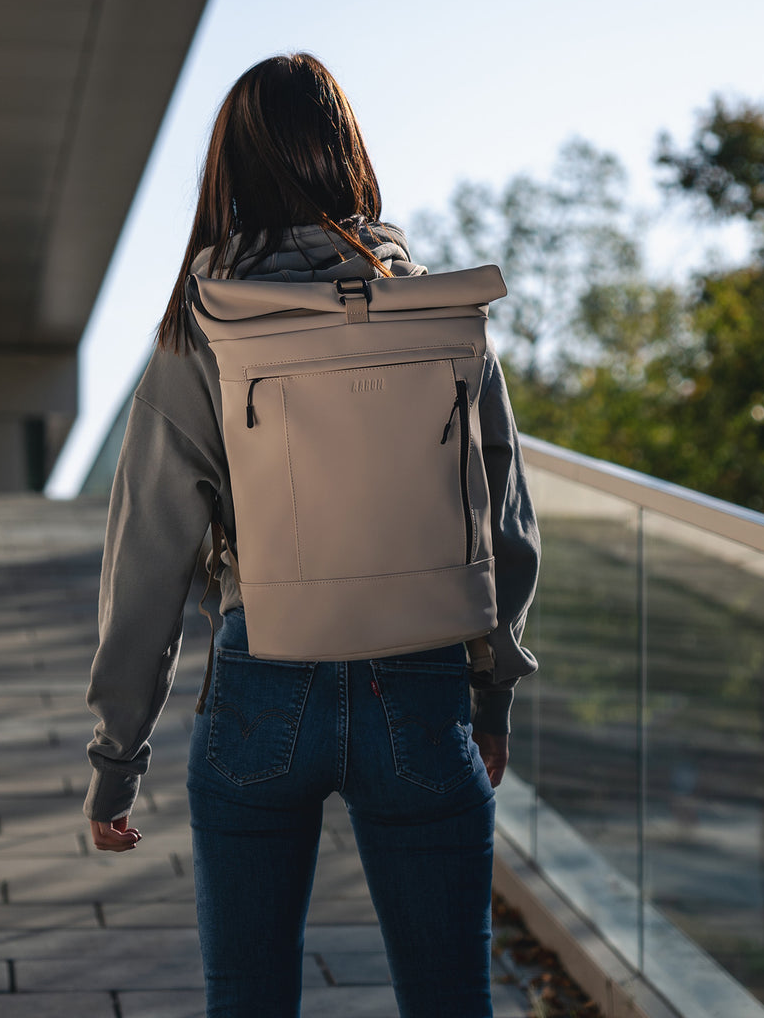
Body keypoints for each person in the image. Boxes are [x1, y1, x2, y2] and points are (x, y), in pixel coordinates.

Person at [81, 51, 541, 1018]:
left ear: (227, 169)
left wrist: (117, 760)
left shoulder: (198, 329)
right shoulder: (440, 318)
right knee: (453, 998)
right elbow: (503, 527)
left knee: (247, 1001)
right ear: (349, 154)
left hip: (262, 684)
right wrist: (491, 697)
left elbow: (148, 563)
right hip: (422, 686)